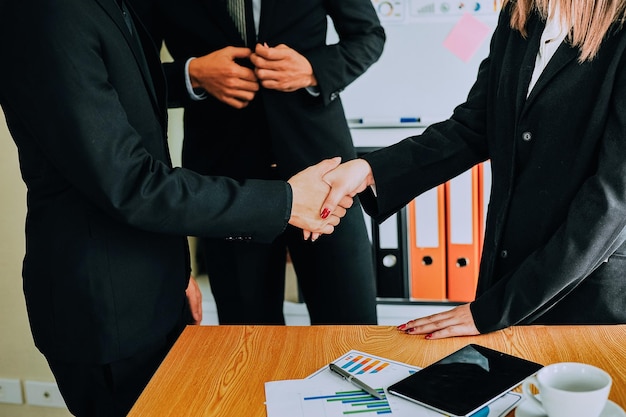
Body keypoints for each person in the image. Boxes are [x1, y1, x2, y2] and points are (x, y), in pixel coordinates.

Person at [0, 0, 352, 415]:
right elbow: (129, 181)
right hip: (109, 309)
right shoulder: (47, 13)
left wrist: (171, 268)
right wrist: (286, 201)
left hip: (155, 284)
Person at [322, 0, 626, 339]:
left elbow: (612, 199)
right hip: (503, 280)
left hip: (582, 299)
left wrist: (495, 310)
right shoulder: (520, 15)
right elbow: (474, 127)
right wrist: (368, 171)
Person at [129, 0, 386, 325]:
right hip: (227, 183)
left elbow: (369, 36)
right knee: (246, 333)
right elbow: (130, 73)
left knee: (351, 327)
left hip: (323, 171)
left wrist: (312, 69)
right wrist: (192, 74)